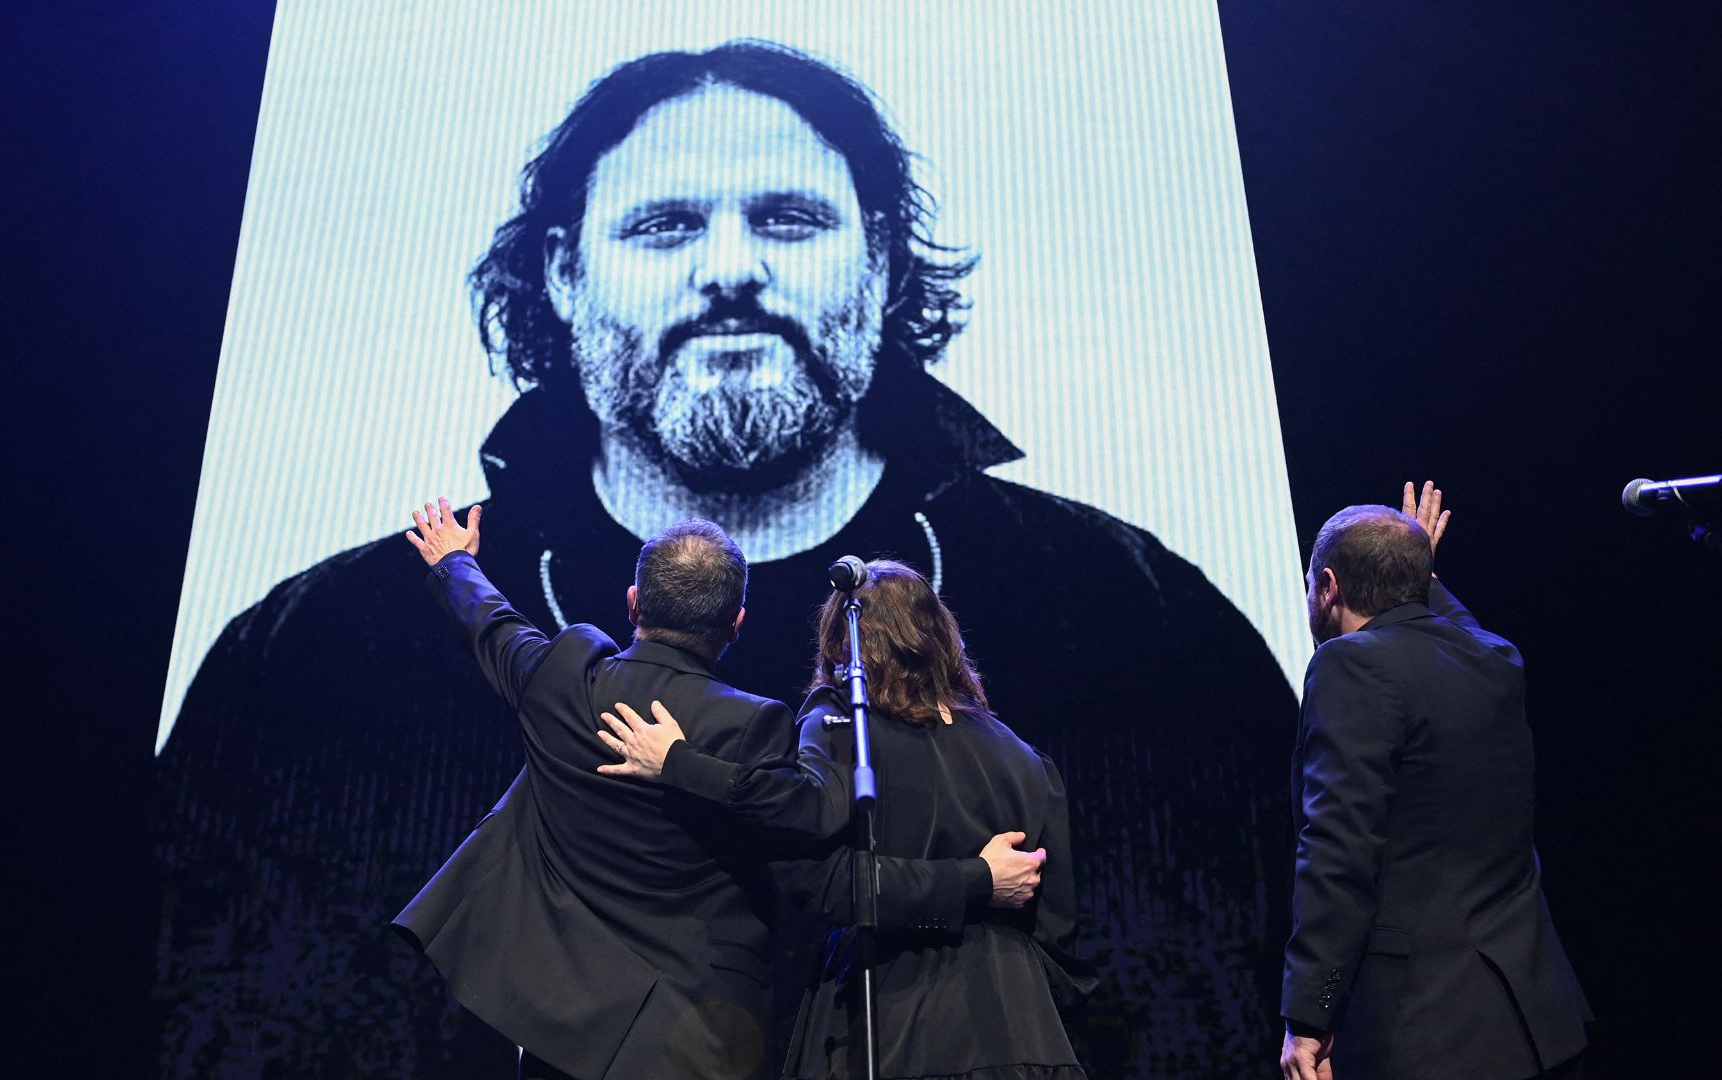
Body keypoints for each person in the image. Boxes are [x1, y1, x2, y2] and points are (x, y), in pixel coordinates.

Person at [155, 40, 1296, 1078]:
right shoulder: (297, 653)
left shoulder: (1148, 617)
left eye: (792, 219)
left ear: (884, 258)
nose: (732, 271)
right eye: (663, 226)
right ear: (562, 272)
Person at [391, 509, 1047, 1080]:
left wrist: (453, 562)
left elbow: (493, 625)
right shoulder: (752, 725)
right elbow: (817, 831)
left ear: (633, 604)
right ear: (736, 623)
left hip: (557, 1025)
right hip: (692, 1039)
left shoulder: (563, 680)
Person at [600, 559, 1095, 1079]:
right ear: (940, 635)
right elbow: (1060, 934)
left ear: (841, 643)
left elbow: (827, 886)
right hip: (1024, 1034)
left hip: (887, 1020)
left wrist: (681, 765)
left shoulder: (842, 729)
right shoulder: (1026, 759)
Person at [1278, 483, 1592, 1080]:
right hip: (1536, 1026)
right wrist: (1416, 563)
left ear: (1328, 586)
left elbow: (1337, 850)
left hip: (1430, 1034)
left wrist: (1309, 1016)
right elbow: (1449, 622)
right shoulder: (1495, 658)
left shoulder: (1350, 664)